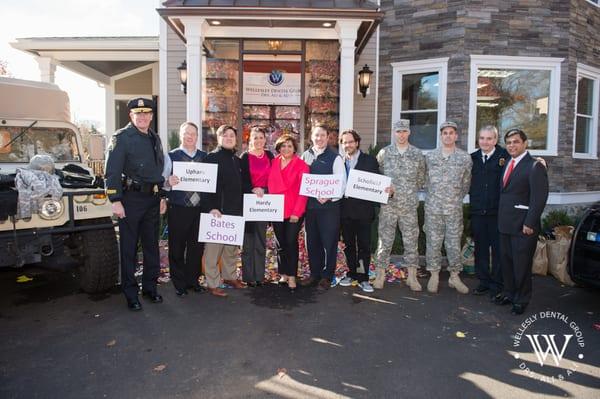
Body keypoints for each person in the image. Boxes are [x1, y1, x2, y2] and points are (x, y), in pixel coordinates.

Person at [105, 97, 165, 311]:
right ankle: (131, 293)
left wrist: (161, 196)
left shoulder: (154, 137)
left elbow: (156, 170)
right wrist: (115, 200)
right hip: (130, 200)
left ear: (151, 115)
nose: (142, 117)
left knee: (151, 247)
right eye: (138, 114)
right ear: (131, 115)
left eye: (146, 113)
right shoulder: (122, 138)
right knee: (129, 248)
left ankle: (150, 288)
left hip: (152, 199)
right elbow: (111, 171)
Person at [496, 128, 548, 315]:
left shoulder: (535, 166)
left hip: (523, 226)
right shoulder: (507, 162)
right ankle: (509, 293)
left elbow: (539, 198)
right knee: (507, 262)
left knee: (522, 265)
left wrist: (530, 223)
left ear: (525, 143)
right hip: (505, 224)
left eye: (516, 142)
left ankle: (522, 298)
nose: (512, 145)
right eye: (509, 142)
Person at [373, 119, 426, 291]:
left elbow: (421, 178)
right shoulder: (384, 153)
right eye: (398, 131)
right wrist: (384, 188)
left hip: (409, 206)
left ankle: (412, 276)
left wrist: (407, 191)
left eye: (404, 131)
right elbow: (378, 175)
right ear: (394, 133)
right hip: (388, 206)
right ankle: (380, 274)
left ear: (409, 133)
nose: (401, 135)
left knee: (411, 241)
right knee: (384, 241)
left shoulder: (417, 154)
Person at [424, 121, 472, 294]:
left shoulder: (464, 158)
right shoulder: (430, 157)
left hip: (453, 209)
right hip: (433, 209)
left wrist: (453, 198)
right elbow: (425, 181)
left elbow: (466, 183)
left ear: (456, 136)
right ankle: (434, 275)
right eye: (445, 133)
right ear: (441, 136)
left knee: (453, 243)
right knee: (433, 243)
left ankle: (454, 276)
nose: (448, 135)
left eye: (451, 132)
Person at [162, 121, 207, 297]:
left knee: (196, 247)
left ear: (197, 136)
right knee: (177, 247)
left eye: (193, 134)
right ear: (181, 135)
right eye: (186, 133)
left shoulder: (205, 156)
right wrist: (168, 182)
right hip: (179, 207)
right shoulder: (171, 156)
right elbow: (163, 182)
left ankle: (192, 280)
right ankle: (179, 283)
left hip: (199, 209)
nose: (189, 136)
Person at [299, 126, 346, 291]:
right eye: (316, 135)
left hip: (329, 208)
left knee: (329, 243)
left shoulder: (335, 157)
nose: (319, 138)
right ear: (312, 137)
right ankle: (315, 274)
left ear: (328, 137)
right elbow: (301, 180)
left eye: (322, 135)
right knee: (312, 242)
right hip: (310, 208)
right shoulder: (306, 155)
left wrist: (328, 196)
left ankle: (327, 276)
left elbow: (341, 184)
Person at [203, 125, 245, 297]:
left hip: (235, 211)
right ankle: (212, 283)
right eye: (225, 135)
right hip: (217, 212)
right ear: (219, 138)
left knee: (231, 249)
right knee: (213, 251)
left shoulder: (237, 160)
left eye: (232, 136)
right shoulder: (211, 158)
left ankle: (229, 277)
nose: (229, 138)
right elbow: (206, 187)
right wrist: (211, 207)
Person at [338, 129, 380, 293]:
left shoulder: (370, 161)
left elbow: (376, 183)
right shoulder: (339, 162)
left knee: (363, 246)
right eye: (344, 142)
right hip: (345, 211)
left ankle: (363, 278)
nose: (347, 145)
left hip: (363, 212)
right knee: (349, 246)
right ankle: (351, 273)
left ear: (357, 143)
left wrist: (386, 190)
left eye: (350, 141)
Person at [469, 126, 509, 297]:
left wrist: (540, 162)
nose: (485, 142)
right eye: (482, 138)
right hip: (478, 211)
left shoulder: (504, 157)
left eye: (489, 138)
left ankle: (498, 284)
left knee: (499, 250)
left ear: (495, 140)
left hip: (497, 212)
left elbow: (522, 163)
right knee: (481, 249)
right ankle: (483, 281)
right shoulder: (473, 158)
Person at [267, 134, 309, 292]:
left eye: (289, 146)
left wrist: (297, 213)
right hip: (276, 209)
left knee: (290, 242)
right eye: (283, 146)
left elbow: (303, 192)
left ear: (294, 148)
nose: (286, 149)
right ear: (278, 148)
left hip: (293, 210)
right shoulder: (273, 162)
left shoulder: (302, 165)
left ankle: (292, 275)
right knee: (280, 243)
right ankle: (283, 273)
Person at [240, 126, 274, 287]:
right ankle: (248, 276)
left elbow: (274, 178)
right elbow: (241, 181)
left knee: (261, 240)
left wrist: (265, 190)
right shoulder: (244, 157)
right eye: (255, 138)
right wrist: (252, 189)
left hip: (264, 203)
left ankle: (259, 275)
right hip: (249, 203)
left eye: (261, 137)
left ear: (265, 140)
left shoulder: (269, 155)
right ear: (250, 140)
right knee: (248, 241)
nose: (258, 140)